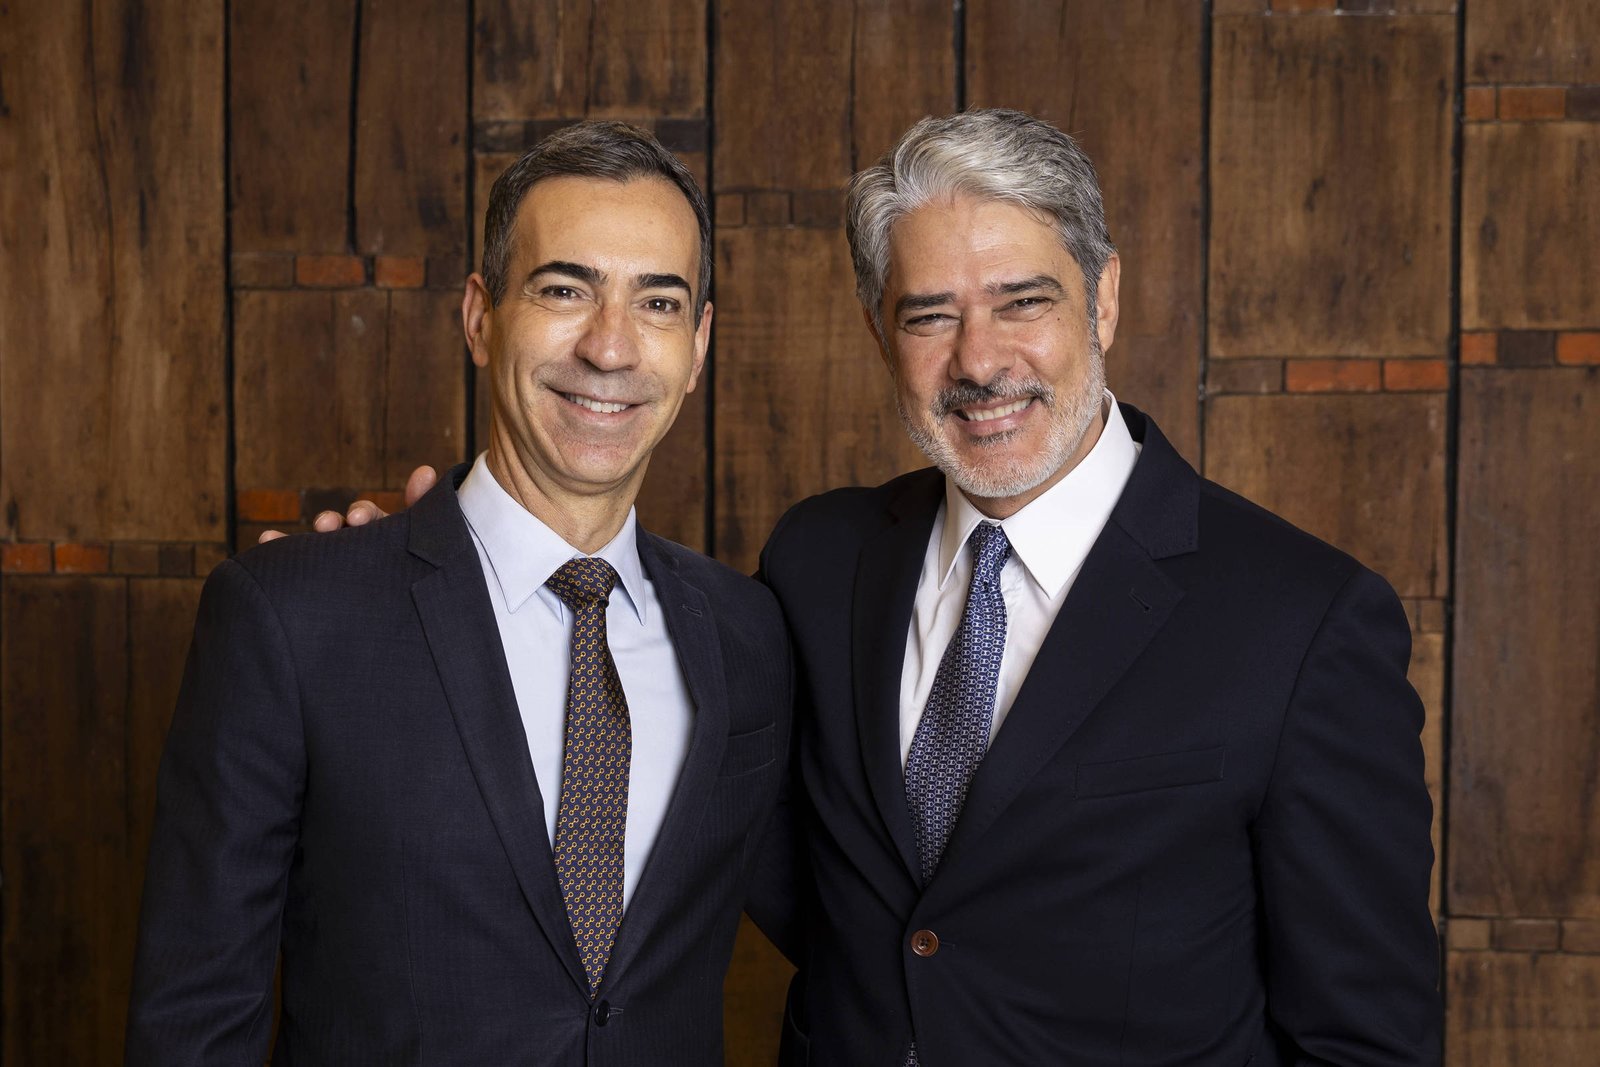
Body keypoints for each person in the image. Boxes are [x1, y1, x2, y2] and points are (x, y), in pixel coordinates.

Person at [317, 108, 1442, 1065]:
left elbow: (1364, 1037)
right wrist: (418, 591)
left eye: (1023, 301)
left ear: (1101, 300)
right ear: (877, 331)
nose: (979, 359)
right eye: (928, 314)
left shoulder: (1300, 620)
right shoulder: (818, 565)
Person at [127, 122, 795, 1066]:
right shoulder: (293, 616)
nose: (611, 347)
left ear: (697, 346)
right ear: (481, 316)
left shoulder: (748, 633)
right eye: (565, 289)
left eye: (657, 301)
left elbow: (873, 922)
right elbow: (194, 1018)